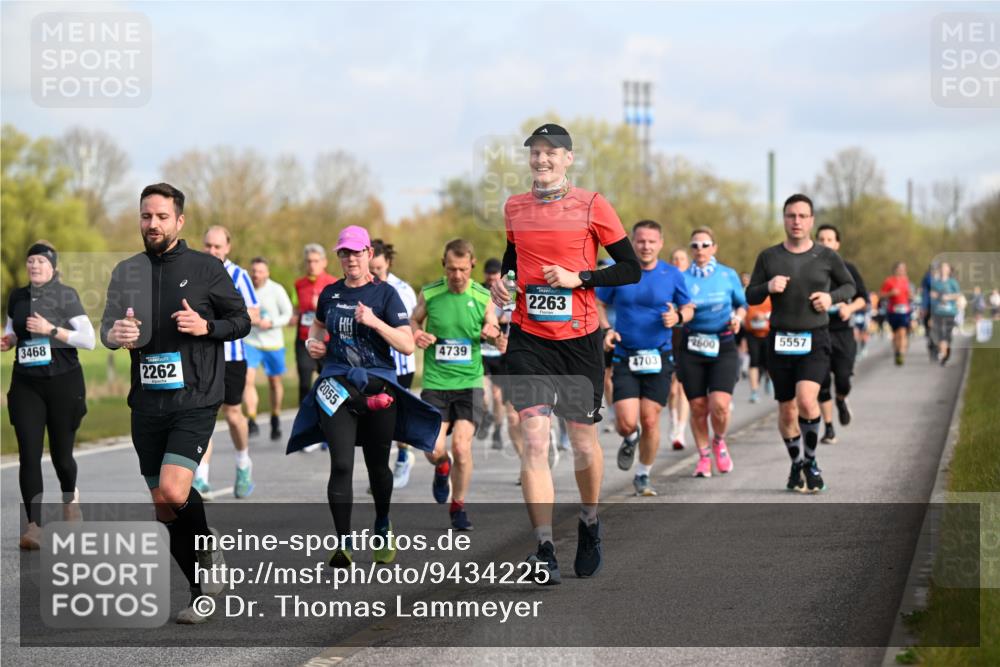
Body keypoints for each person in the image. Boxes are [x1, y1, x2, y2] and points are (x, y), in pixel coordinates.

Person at [492, 123, 640, 584]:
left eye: (551, 153)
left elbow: (630, 268)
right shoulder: (515, 207)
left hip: (579, 342)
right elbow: (515, 259)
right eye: (535, 153)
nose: (542, 160)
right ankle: (544, 548)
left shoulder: (594, 205)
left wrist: (583, 279)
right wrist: (504, 284)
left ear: (568, 159)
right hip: (529, 338)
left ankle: (590, 522)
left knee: (581, 444)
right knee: (535, 439)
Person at [101, 183, 250, 623]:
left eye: (162, 216)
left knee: (173, 489)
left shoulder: (206, 268)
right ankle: (197, 588)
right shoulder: (126, 271)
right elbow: (108, 325)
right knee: (163, 506)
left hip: (196, 396)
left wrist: (206, 326)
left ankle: (207, 557)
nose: (153, 224)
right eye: (146, 216)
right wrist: (116, 336)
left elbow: (240, 321)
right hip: (146, 401)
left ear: (179, 221)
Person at [286, 226, 440, 567]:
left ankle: (382, 525)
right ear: (338, 256)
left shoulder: (385, 295)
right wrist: (315, 344)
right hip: (336, 386)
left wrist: (374, 323)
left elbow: (404, 343)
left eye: (356, 252)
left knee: (376, 467)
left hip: (378, 386)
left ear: (369, 254)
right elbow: (319, 328)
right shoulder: (329, 293)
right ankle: (343, 544)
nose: (351, 259)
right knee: (340, 463)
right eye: (344, 253)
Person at [746, 194, 855, 493]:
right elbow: (750, 295)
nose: (796, 221)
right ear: (784, 219)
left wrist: (830, 297)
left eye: (802, 216)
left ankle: (811, 461)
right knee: (787, 411)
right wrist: (767, 287)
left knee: (807, 400)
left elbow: (850, 286)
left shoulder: (826, 256)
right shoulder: (769, 257)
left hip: (815, 338)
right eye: (791, 216)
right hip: (780, 340)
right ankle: (797, 464)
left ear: (811, 220)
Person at [3, 243, 93, 549]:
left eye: (40, 261)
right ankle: (33, 527)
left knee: (62, 457)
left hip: (63, 384)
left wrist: (51, 329)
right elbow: (12, 330)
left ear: (52, 266)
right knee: (29, 453)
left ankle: (70, 498)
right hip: (27, 383)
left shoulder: (66, 295)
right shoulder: (17, 296)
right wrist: (8, 339)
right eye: (30, 261)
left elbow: (89, 339)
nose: (34, 266)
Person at [597, 220, 692, 496]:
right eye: (640, 241)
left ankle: (643, 474)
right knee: (625, 421)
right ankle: (630, 437)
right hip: (625, 355)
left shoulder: (672, 274)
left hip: (659, 357)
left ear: (660, 243)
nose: (646, 246)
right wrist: (607, 329)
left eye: (651, 241)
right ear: (632, 242)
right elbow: (599, 302)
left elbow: (688, 307)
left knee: (650, 419)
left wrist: (678, 317)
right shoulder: (620, 272)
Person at [411, 239, 501, 530]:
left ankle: (458, 506)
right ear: (444, 265)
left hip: (469, 384)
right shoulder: (431, 293)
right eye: (451, 269)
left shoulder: (482, 295)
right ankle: (442, 467)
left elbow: (494, 325)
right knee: (432, 450)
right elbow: (413, 321)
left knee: (462, 447)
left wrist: (492, 329)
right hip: (436, 383)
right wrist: (416, 334)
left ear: (472, 265)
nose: (457, 276)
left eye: (463, 269)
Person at [193, 226, 260, 498]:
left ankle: (243, 463)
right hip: (201, 356)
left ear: (227, 248)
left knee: (232, 415)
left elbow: (253, 313)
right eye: (208, 245)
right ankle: (200, 478)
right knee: (203, 414)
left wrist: (219, 321)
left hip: (232, 356)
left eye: (217, 247)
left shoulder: (239, 275)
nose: (212, 251)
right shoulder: (194, 273)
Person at [676, 227, 747, 478]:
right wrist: (680, 314)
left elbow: (742, 305)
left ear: (714, 247)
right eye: (695, 245)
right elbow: (674, 309)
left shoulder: (727, 275)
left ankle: (718, 440)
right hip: (692, 346)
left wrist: (738, 318)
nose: (700, 250)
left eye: (705, 245)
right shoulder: (682, 277)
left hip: (723, 344)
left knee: (719, 405)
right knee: (697, 406)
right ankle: (704, 455)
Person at [369, 239, 419, 488]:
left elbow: (411, 326)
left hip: (399, 365)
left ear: (387, 262)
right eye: (371, 268)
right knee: (376, 420)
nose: (374, 273)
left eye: (378, 268)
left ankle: (401, 457)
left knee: (393, 417)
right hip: (372, 364)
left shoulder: (403, 289)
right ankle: (381, 473)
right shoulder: (362, 287)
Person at [815, 224, 868, 445]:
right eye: (821, 240)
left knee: (843, 380)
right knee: (822, 381)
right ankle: (828, 428)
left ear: (837, 244)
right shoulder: (810, 270)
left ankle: (841, 400)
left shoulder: (848, 269)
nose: (825, 243)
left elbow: (863, 297)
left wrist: (849, 308)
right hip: (819, 331)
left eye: (830, 240)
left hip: (843, 333)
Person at [243, 256, 293, 441]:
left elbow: (287, 314)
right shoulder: (245, 289)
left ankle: (275, 416)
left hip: (273, 343)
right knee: (247, 380)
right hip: (251, 342)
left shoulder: (276, 290)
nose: (256, 275)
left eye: (260, 271)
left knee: (274, 383)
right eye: (254, 271)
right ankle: (252, 419)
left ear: (267, 273)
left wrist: (271, 323)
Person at [294, 244, 337, 405]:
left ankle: (325, 420)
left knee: (329, 383)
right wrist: (293, 315)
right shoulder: (299, 284)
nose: (312, 265)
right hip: (304, 339)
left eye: (316, 261)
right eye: (309, 261)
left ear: (324, 262)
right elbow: (296, 308)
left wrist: (320, 307)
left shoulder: (333, 284)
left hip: (327, 340)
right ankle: (303, 422)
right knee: (305, 383)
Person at [479, 258, 508, 450]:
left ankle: (498, 430)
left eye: (495, 273)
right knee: (482, 394)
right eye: (488, 273)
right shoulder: (478, 290)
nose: (491, 277)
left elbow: (511, 316)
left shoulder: (508, 292)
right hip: (480, 348)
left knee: (498, 396)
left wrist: (499, 319)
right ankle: (485, 415)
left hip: (500, 350)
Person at [668, 248, 692, 449]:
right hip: (668, 337)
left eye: (682, 258)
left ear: (687, 262)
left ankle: (680, 432)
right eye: (675, 258)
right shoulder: (665, 279)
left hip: (686, 337)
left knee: (682, 387)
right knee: (671, 390)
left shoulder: (691, 281)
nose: (678, 261)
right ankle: (673, 421)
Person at [880, 262, 913, 366]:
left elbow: (911, 295)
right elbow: (881, 294)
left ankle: (901, 354)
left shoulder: (907, 281)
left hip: (905, 310)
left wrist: (910, 296)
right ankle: (897, 351)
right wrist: (891, 293)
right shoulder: (889, 281)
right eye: (900, 268)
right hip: (892, 310)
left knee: (902, 332)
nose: (902, 270)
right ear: (895, 270)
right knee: (895, 334)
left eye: (904, 269)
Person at [930, 261, 961, 366]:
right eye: (942, 267)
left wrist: (948, 297)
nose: (943, 269)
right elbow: (932, 294)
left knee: (947, 334)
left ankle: (944, 353)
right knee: (940, 334)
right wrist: (936, 296)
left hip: (950, 311)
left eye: (945, 267)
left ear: (949, 270)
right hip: (938, 312)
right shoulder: (936, 282)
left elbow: (958, 295)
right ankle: (942, 353)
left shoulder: (953, 282)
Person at [743, 294, 772, 404]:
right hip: (752, 333)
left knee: (769, 362)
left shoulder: (770, 296)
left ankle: (769, 380)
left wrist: (764, 316)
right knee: (754, 362)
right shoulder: (748, 295)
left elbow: (779, 311)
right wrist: (752, 316)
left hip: (768, 333)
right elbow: (743, 310)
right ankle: (754, 391)